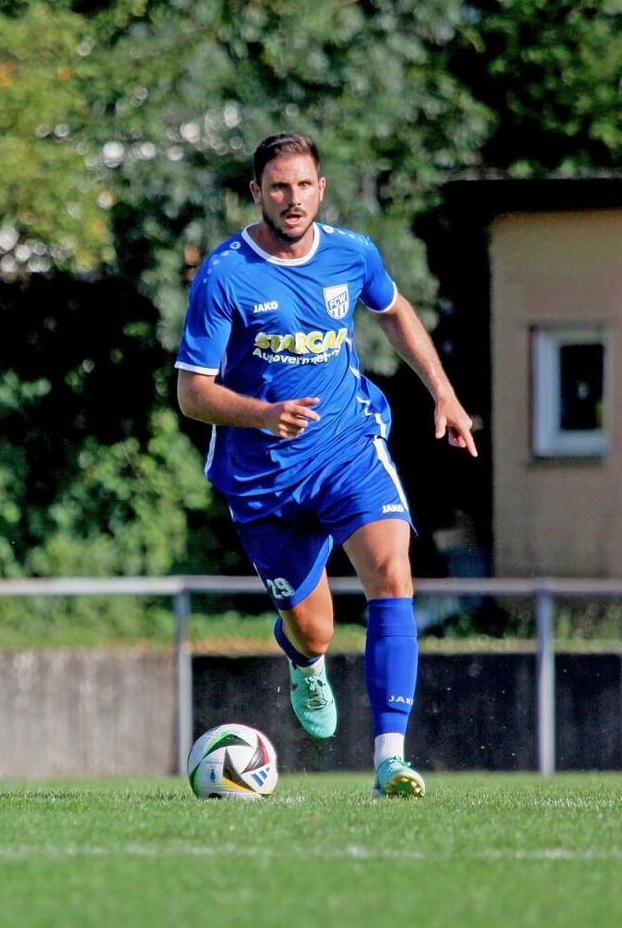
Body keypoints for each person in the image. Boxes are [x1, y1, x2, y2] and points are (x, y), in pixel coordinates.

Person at [176, 132, 477, 798]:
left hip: (347, 446)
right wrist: (261, 414)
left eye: (303, 185)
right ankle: (306, 657)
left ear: (321, 188)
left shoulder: (352, 253)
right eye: (278, 186)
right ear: (256, 192)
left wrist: (445, 394)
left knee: (393, 572)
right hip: (262, 474)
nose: (292, 199)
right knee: (316, 625)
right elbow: (191, 393)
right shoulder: (226, 273)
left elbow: (394, 311)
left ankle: (390, 759)